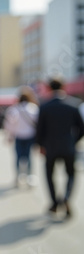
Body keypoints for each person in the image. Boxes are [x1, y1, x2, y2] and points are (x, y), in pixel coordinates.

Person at [36, 77, 84, 218]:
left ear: (49, 88)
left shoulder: (44, 106)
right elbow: (82, 128)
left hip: (50, 147)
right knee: (71, 174)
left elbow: (40, 130)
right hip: (68, 146)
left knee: (50, 176)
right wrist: (73, 141)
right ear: (64, 87)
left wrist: (41, 145)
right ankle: (67, 198)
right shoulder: (73, 105)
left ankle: (54, 203)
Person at [3, 88, 39, 187]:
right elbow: (38, 124)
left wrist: (9, 135)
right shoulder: (34, 108)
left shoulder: (14, 109)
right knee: (29, 157)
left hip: (18, 136)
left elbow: (9, 124)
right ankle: (29, 176)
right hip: (31, 136)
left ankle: (18, 176)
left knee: (18, 157)